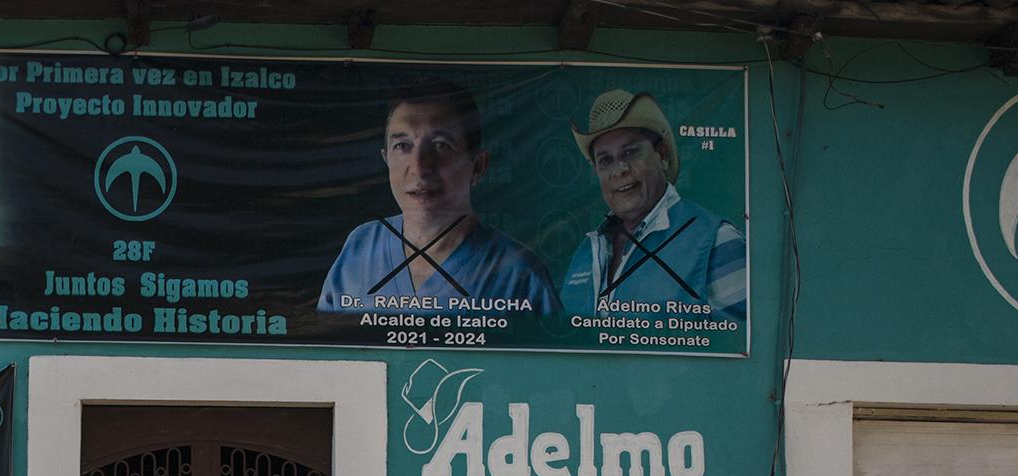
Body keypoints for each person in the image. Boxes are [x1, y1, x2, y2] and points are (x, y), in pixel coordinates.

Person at [318, 81, 557, 316]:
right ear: (386, 159)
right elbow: (323, 351)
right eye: (402, 146)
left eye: (441, 145)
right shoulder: (360, 248)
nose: (420, 167)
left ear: (478, 167)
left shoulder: (519, 275)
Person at [560, 89, 747, 322]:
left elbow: (739, 345)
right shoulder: (587, 251)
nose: (620, 170)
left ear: (662, 155)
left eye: (630, 152)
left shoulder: (717, 242)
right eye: (605, 160)